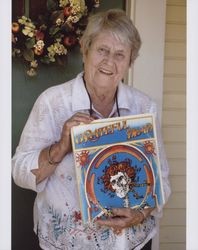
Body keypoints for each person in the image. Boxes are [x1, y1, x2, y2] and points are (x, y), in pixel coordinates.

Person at [12, 9, 171, 250]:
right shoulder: (53, 102)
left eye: (120, 55)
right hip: (66, 242)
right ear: (85, 51)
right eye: (102, 50)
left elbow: (161, 180)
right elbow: (19, 172)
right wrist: (61, 148)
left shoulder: (143, 106)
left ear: (130, 62)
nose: (109, 61)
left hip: (128, 242)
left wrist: (141, 212)